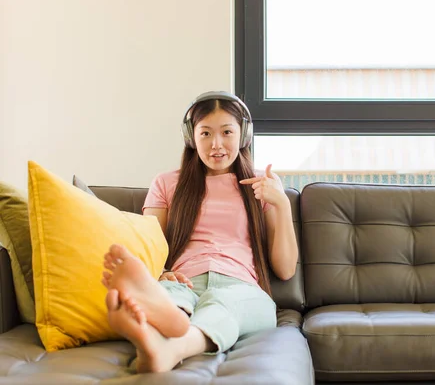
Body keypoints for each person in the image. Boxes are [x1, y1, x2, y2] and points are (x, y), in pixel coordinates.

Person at [100, 91, 298, 373]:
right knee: (171, 294)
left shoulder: (262, 184)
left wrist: (281, 203)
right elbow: (152, 242)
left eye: (227, 132)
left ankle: (168, 345)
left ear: (243, 136)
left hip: (241, 286)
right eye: (205, 133)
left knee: (224, 304)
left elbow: (286, 269)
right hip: (185, 279)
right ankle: (162, 318)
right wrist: (161, 271)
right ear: (191, 137)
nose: (216, 144)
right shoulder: (168, 183)